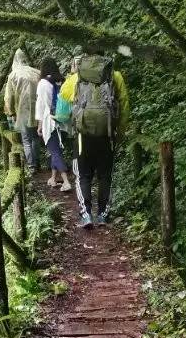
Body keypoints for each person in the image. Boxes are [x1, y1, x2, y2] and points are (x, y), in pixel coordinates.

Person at [59, 46, 129, 228]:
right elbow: (124, 106)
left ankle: (86, 214)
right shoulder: (115, 76)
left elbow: (63, 95)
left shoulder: (78, 77)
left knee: (83, 175)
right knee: (105, 175)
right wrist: (119, 132)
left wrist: (74, 74)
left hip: (83, 135)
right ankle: (103, 215)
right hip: (106, 134)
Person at [35, 58, 72, 192]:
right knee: (56, 150)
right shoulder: (61, 80)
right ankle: (53, 178)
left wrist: (39, 125)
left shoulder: (43, 83)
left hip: (49, 122)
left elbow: (42, 106)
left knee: (54, 151)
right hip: (62, 120)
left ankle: (66, 181)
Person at [4, 49, 41, 173]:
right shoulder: (36, 72)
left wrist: (10, 112)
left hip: (22, 109)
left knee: (26, 139)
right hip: (38, 109)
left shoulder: (13, 75)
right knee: (35, 137)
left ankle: (31, 165)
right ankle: (37, 162)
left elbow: (9, 96)